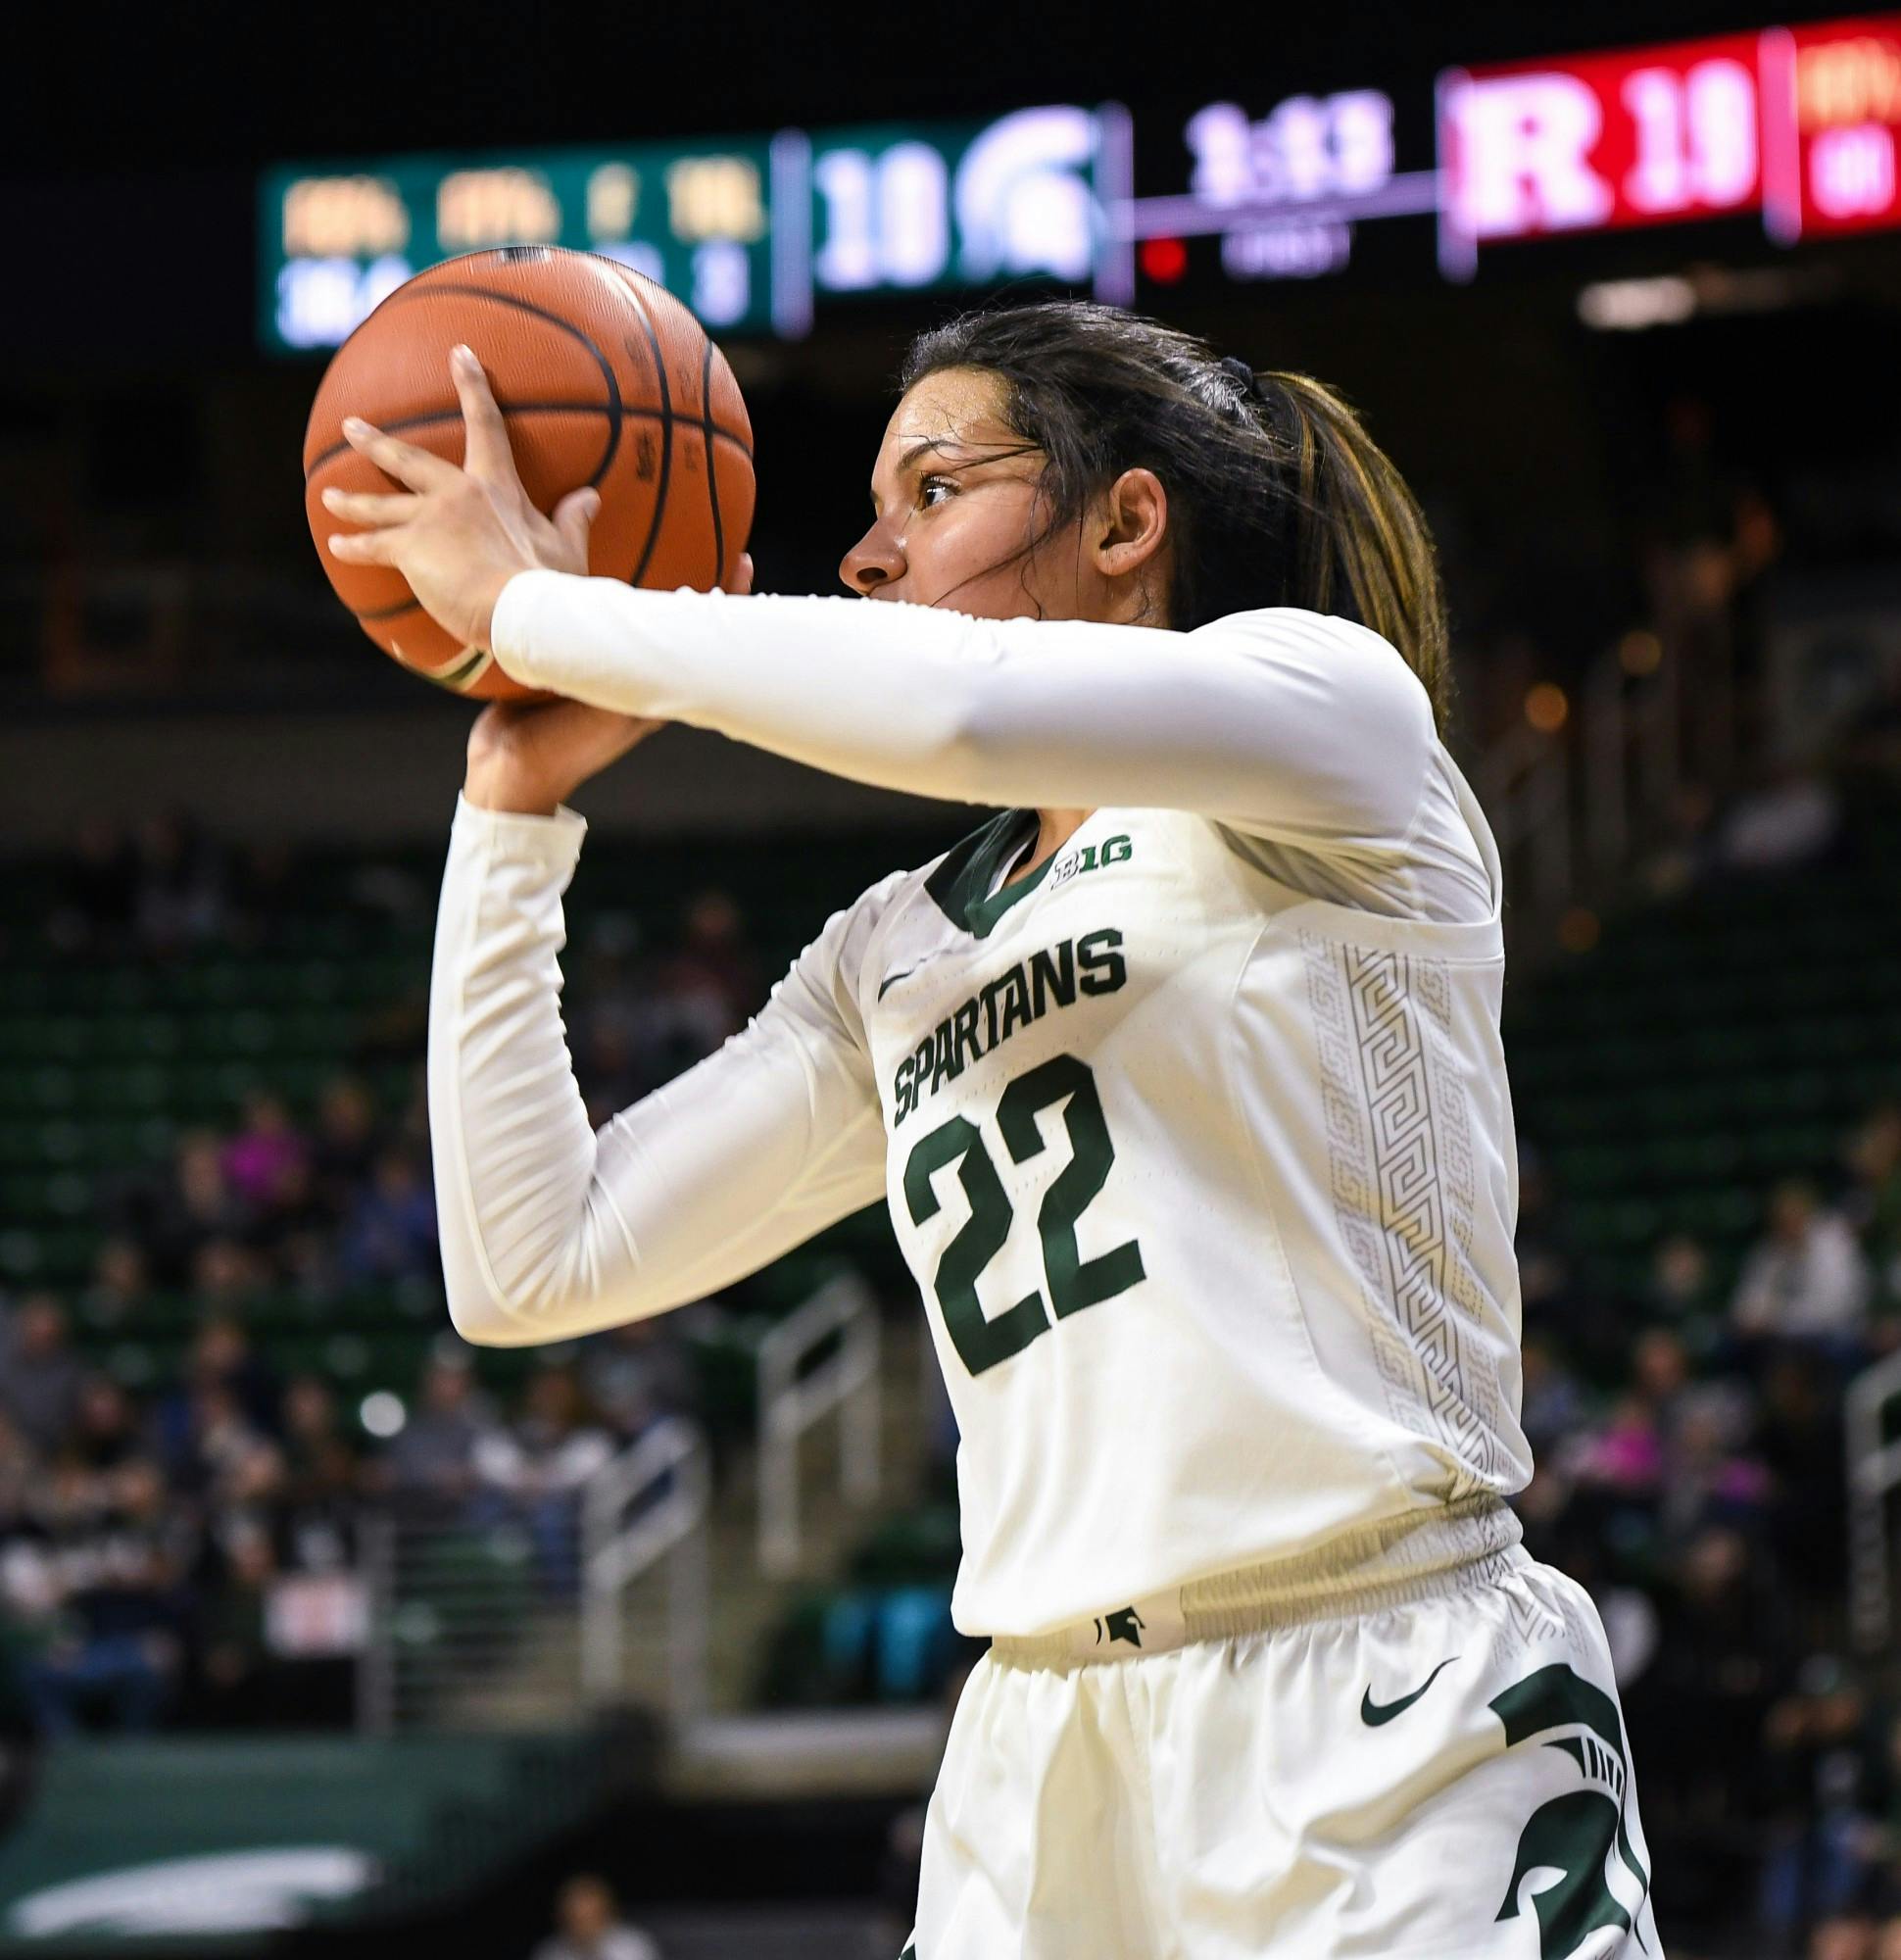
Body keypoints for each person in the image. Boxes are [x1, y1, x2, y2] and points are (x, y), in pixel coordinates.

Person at [330, 303, 1661, 1954]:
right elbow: (531, 1265)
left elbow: (961, 706)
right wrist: (512, 819)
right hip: (1040, 1755)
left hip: (1378, 1683)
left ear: (1125, 520)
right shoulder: (896, 945)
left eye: (932, 491)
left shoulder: (1335, 723)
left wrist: (549, 606)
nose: (870, 556)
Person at [528, 1874, 658, 1960]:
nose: (583, 1927)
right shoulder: (549, 1953)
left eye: (590, 1917)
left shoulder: (634, 1947)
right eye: (575, 1919)